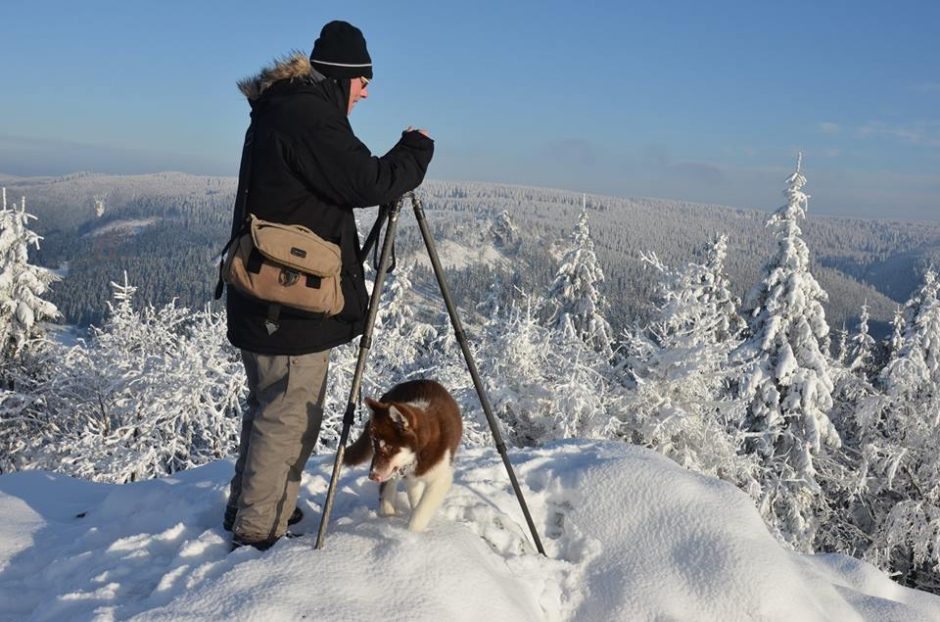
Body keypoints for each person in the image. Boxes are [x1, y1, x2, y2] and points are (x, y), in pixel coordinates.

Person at [222, 20, 434, 550]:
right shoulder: (308, 116)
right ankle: (258, 530)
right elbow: (368, 180)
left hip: (270, 293)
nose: (365, 92)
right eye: (363, 81)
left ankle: (253, 508)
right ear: (343, 77)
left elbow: (340, 180)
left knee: (271, 406)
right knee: (288, 413)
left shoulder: (287, 108)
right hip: (288, 300)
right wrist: (415, 151)